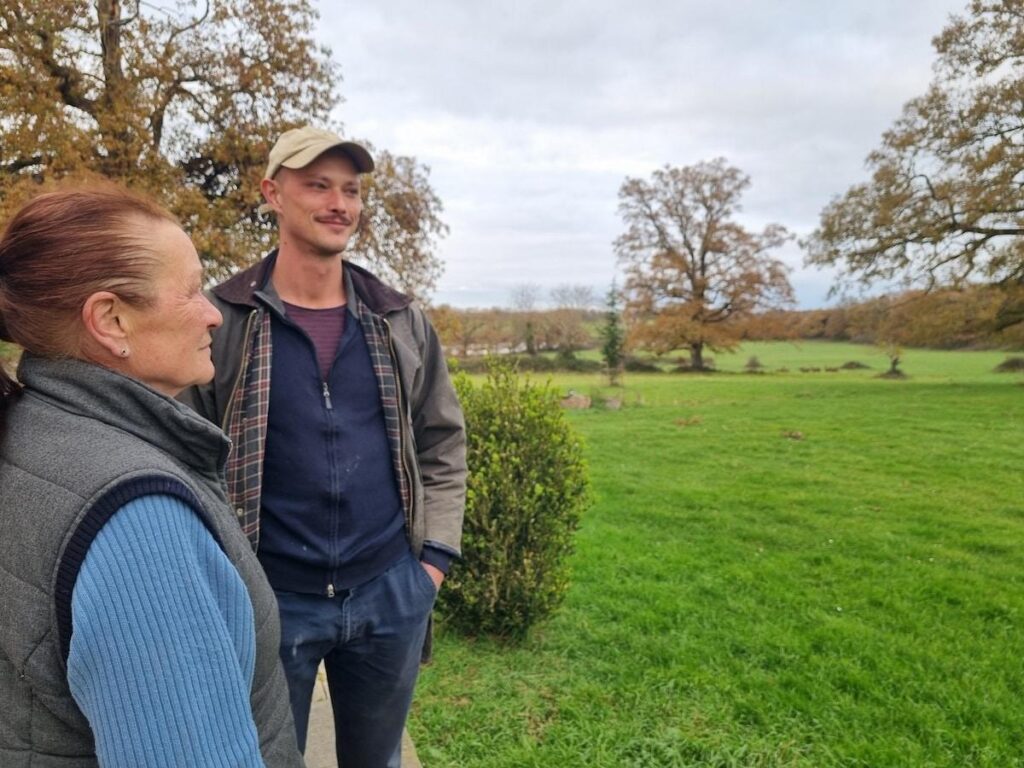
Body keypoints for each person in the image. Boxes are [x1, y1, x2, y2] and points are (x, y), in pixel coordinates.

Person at [180, 126, 467, 767]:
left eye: (351, 190)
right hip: (270, 599)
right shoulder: (223, 319)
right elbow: (185, 453)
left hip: (391, 592)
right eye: (318, 186)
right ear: (272, 194)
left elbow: (444, 440)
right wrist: (223, 579)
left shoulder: (398, 319)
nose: (340, 204)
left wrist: (432, 564)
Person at [0, 185, 305, 768]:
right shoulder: (137, 519)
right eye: (190, 290)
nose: (214, 312)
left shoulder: (29, 428)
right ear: (110, 320)